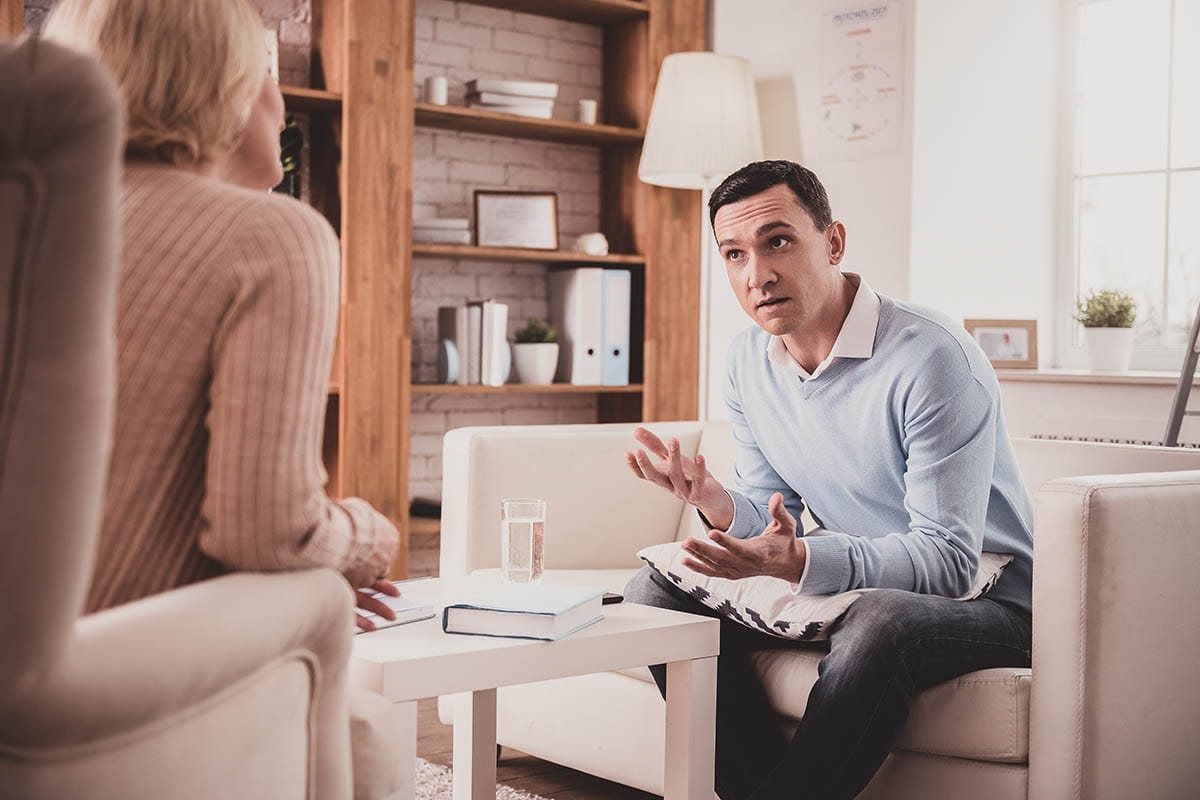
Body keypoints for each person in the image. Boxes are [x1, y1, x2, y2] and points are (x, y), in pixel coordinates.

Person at [624, 160, 1034, 800]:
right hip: (859, 587)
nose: (756, 275)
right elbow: (770, 516)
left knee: (880, 622)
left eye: (777, 242)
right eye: (734, 254)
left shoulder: (932, 357)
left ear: (834, 242)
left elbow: (951, 562)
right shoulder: (746, 362)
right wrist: (713, 500)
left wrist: (801, 561)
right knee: (654, 592)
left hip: (992, 602)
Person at [42, 0, 401, 629]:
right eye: (264, 69)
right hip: (106, 679)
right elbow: (269, 533)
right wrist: (371, 537)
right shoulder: (272, 235)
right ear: (221, 87)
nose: (279, 96)